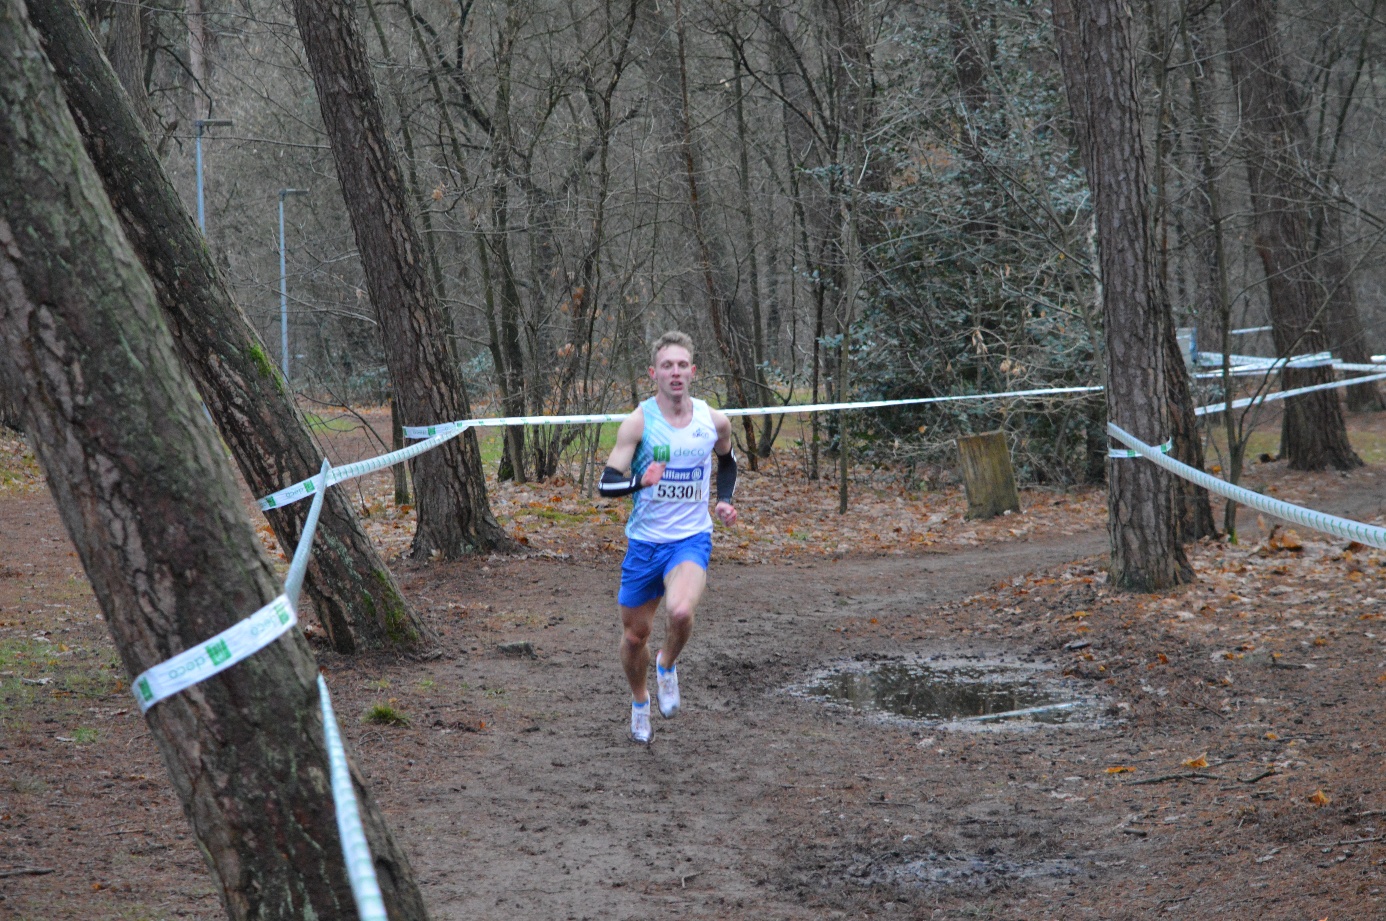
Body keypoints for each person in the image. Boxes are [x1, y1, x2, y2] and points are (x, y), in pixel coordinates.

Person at [598, 331, 738, 744]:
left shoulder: (713, 421)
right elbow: (606, 485)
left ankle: (667, 664)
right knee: (633, 636)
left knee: (680, 612)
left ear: (693, 372)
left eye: (682, 365)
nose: (674, 373)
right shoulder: (639, 422)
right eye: (666, 366)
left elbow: (728, 462)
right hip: (645, 543)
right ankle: (640, 701)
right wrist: (641, 481)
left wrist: (725, 500)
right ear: (653, 373)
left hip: (690, 539)